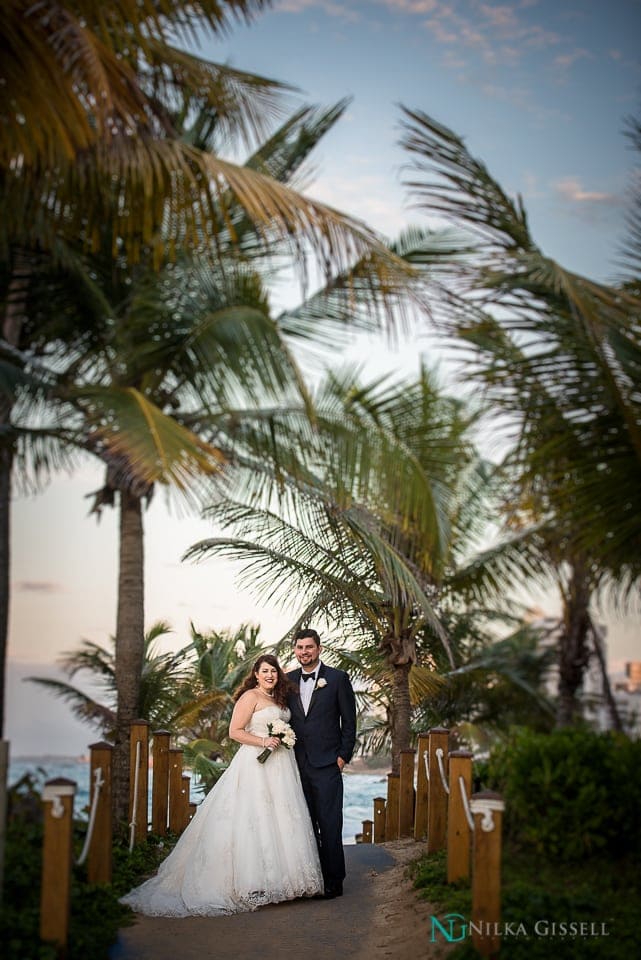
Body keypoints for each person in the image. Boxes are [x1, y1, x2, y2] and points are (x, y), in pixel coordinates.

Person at [119, 654, 323, 916]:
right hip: (256, 763)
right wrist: (263, 742)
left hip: (282, 764)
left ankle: (287, 881)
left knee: (282, 817)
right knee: (254, 818)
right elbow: (234, 731)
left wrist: (282, 738)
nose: (270, 675)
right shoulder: (250, 696)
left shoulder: (279, 699)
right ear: (256, 674)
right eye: (265, 671)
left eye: (273, 670)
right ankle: (253, 882)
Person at [286, 628, 357, 899]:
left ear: (319, 648)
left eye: (309, 647)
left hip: (328, 763)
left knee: (329, 823)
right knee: (303, 823)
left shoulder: (337, 679)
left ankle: (334, 881)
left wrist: (342, 756)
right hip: (295, 765)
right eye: (300, 647)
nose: (304, 651)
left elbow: (349, 722)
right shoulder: (288, 680)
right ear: (295, 650)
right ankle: (310, 878)